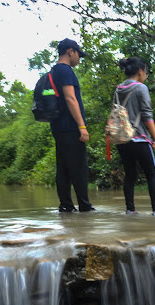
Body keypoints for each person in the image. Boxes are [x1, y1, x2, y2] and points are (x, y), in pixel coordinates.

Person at [114, 57, 155, 215]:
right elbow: (147, 116)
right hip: (140, 138)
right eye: (145, 73)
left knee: (130, 175)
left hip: (122, 139)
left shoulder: (118, 89)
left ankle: (130, 210)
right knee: (151, 174)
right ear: (140, 71)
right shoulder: (141, 88)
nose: (145, 76)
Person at [50, 38, 94, 213]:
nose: (79, 59)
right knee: (79, 167)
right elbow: (70, 98)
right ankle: (84, 206)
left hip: (58, 127)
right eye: (78, 55)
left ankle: (66, 206)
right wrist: (82, 127)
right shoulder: (65, 70)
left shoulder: (53, 71)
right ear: (71, 51)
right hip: (70, 127)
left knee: (64, 168)